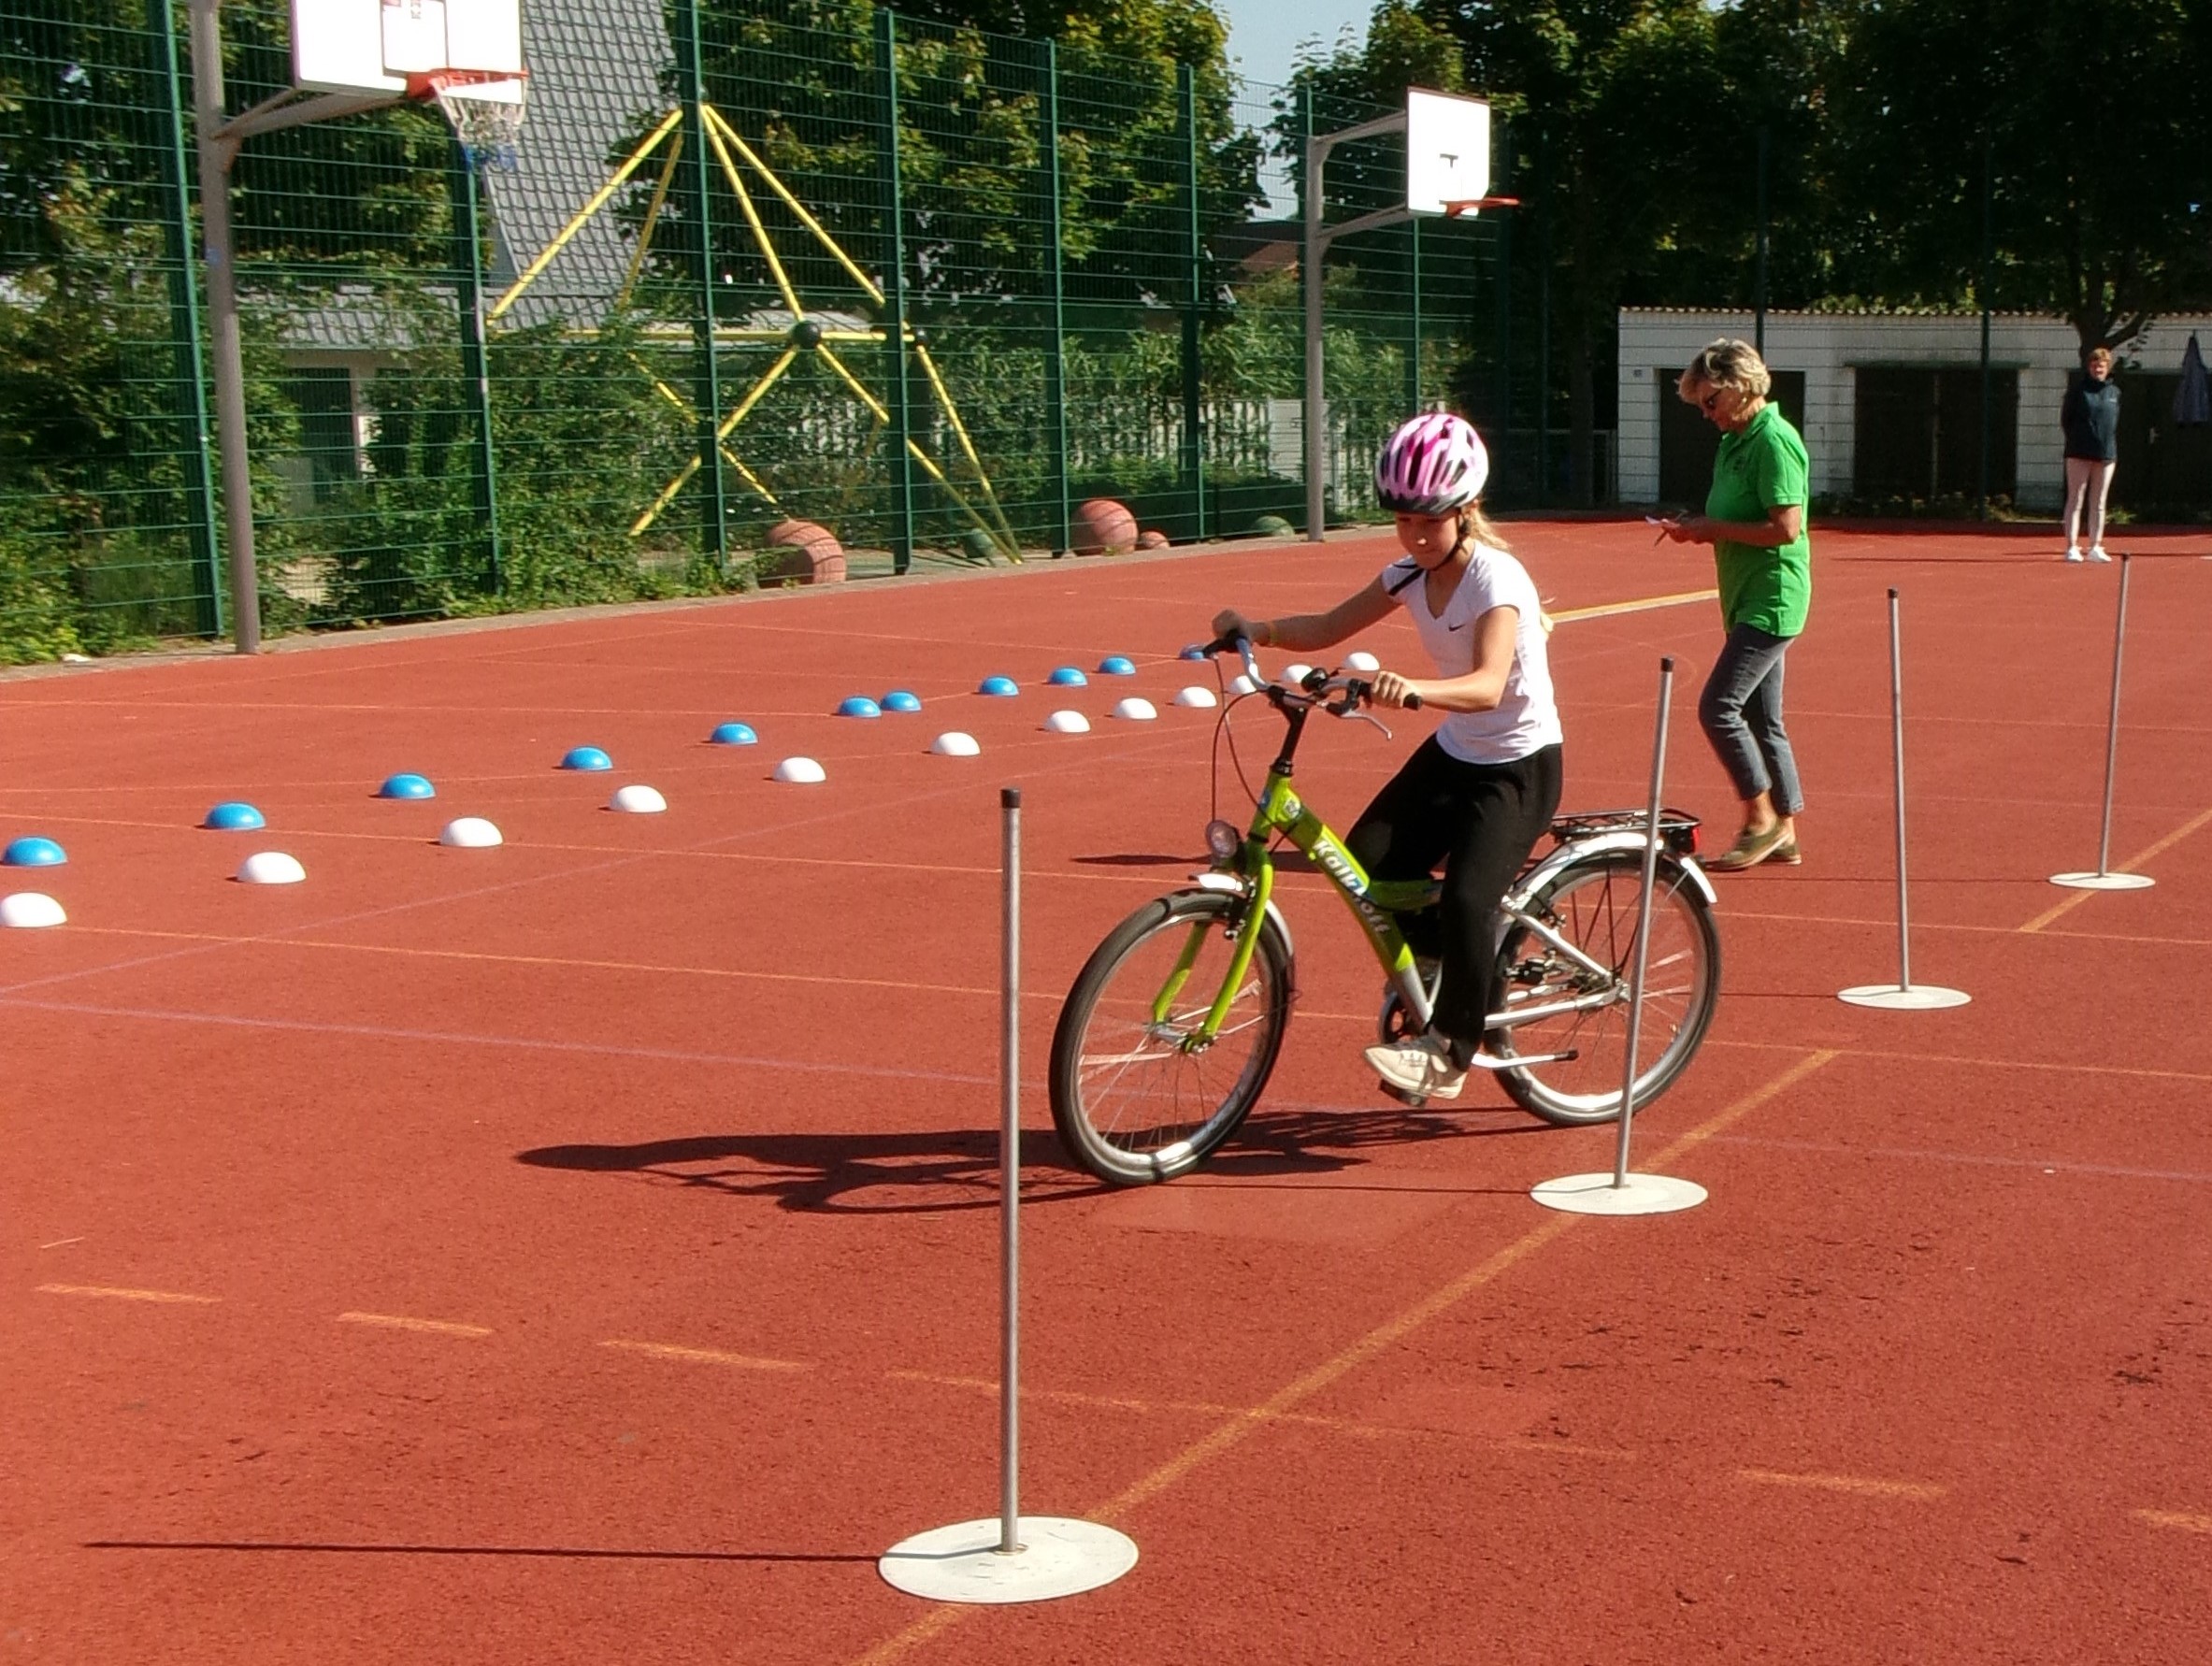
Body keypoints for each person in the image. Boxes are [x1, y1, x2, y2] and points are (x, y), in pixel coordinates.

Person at [1210, 412, 1562, 1103]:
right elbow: (1329, 626)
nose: (1416, 536)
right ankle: (1448, 962)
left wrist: (1411, 689)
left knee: (1467, 898)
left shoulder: (1496, 579)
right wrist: (1259, 630)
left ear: (1465, 512)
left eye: (1430, 522)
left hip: (1518, 764)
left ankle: (1451, 1050)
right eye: (1403, 521)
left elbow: (1488, 686)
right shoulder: (1407, 575)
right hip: (1457, 752)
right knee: (1369, 861)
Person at [1659, 338, 1811, 872]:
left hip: (1772, 598)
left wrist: (1713, 529)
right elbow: (1730, 514)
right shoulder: (1735, 441)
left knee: (1718, 707)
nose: (1707, 414)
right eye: (1700, 405)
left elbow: (1786, 529)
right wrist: (1697, 527)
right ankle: (1786, 831)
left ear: (1741, 386)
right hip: (1746, 596)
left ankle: (1759, 819)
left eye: (1711, 401)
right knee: (1763, 717)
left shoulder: (1774, 441)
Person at [2061, 346, 2120, 562]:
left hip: (2106, 454)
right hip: (2078, 452)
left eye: (2101, 366)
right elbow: (2066, 420)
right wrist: (2078, 440)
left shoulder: (2114, 392)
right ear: (2089, 367)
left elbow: (2114, 421)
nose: (2098, 369)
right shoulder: (2078, 391)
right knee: (2076, 498)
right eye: (2094, 366)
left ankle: (2096, 546)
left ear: (2108, 368)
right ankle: (2072, 547)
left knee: (2099, 502)